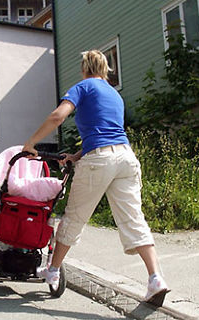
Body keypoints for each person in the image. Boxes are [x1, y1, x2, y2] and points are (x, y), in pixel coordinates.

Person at [22, 49, 171, 305]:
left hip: (100, 161)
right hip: (126, 159)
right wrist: (76, 156)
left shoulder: (83, 86)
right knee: (134, 219)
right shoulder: (115, 94)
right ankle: (155, 278)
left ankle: (53, 270)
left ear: (84, 68)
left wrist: (31, 143)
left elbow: (58, 116)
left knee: (75, 217)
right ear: (105, 69)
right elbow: (107, 134)